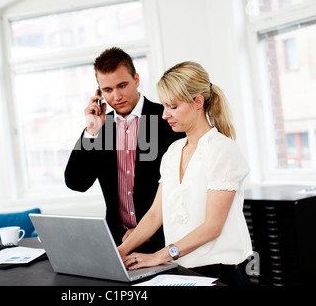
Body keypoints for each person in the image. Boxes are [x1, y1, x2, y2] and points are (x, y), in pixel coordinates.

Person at [117, 61, 253, 286]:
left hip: (218, 275)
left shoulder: (222, 149)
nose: (164, 115)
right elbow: (154, 215)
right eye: (163, 106)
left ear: (198, 102)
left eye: (172, 106)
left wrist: (159, 256)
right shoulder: (173, 152)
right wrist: (120, 251)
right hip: (181, 272)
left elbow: (213, 226)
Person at [64, 48, 184, 253]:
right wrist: (91, 131)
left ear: (136, 79)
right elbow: (76, 183)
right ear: (99, 93)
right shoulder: (100, 128)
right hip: (117, 244)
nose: (116, 96)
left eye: (122, 85)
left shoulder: (167, 119)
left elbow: (183, 190)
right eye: (107, 90)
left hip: (164, 243)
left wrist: (144, 232)